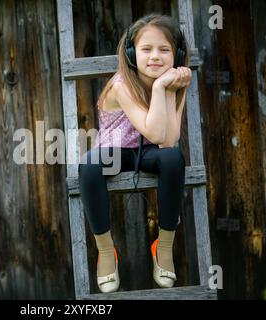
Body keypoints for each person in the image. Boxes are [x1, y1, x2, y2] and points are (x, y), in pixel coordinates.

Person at [78, 14, 192, 293]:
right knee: (89, 164)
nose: (155, 57)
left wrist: (170, 90)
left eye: (164, 50)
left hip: (150, 152)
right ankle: (106, 251)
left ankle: (163, 247)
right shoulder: (121, 85)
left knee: (173, 158)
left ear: (175, 54)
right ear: (131, 53)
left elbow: (168, 139)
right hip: (114, 151)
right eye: (146, 49)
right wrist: (160, 87)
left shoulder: (173, 82)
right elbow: (154, 131)